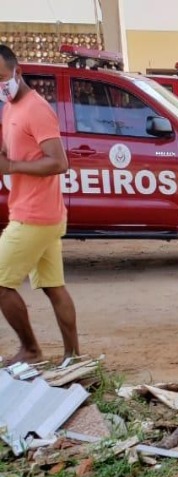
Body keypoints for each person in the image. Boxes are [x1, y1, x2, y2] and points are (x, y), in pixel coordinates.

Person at [0, 44, 78, 364]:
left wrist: (12, 166)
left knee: (1, 284)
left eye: (1, 77)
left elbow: (59, 162)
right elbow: (11, 152)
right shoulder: (10, 108)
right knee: (53, 286)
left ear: (17, 72)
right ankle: (73, 356)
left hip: (34, 216)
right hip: (37, 212)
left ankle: (31, 350)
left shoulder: (36, 108)